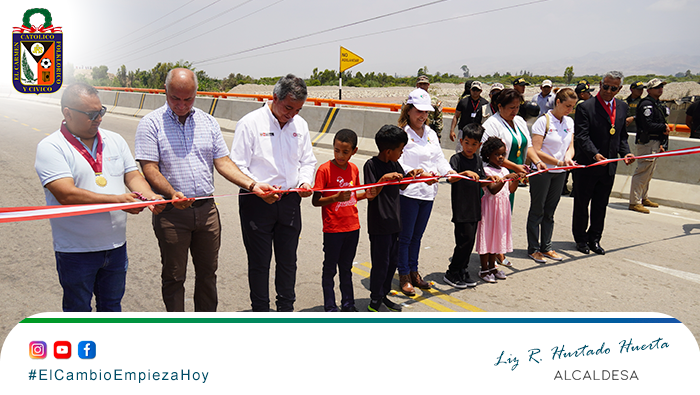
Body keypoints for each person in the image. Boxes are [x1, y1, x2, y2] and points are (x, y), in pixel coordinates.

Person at [136, 68, 272, 313]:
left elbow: (223, 163)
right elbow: (150, 168)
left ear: (196, 94)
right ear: (165, 92)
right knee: (174, 276)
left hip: (207, 211)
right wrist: (172, 192)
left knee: (208, 274)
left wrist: (252, 184)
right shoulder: (150, 124)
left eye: (188, 99)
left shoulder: (208, 122)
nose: (181, 104)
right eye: (175, 98)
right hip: (172, 213)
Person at [35, 82, 164, 312]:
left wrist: (150, 197)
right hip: (75, 251)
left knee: (112, 308)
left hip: (115, 247)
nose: (99, 118)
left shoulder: (114, 140)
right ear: (67, 113)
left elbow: (133, 176)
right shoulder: (52, 147)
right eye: (92, 114)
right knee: (78, 312)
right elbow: (66, 193)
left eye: (101, 111)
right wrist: (118, 201)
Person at [230, 74, 317, 312]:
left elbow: (307, 161)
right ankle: (260, 312)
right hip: (256, 202)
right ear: (274, 97)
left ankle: (285, 310)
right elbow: (237, 165)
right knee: (259, 262)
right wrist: (257, 187)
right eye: (288, 107)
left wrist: (305, 182)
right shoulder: (250, 123)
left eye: (298, 109)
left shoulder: (300, 125)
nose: (292, 115)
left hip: (290, 202)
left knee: (288, 261)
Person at [396, 89, 454, 296]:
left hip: (428, 193)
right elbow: (398, 161)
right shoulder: (402, 133)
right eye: (418, 111)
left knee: (417, 236)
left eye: (426, 112)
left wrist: (449, 172)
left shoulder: (430, 133)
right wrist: (410, 173)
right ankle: (403, 275)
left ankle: (414, 272)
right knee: (405, 237)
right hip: (409, 193)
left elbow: (438, 158)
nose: (422, 116)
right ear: (409, 110)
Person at [312, 129, 375, 312]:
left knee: (346, 268)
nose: (340, 155)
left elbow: (352, 197)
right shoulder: (324, 170)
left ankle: (348, 304)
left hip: (352, 227)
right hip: (333, 229)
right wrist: (335, 198)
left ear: (354, 151)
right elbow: (316, 201)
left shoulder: (354, 169)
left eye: (345, 152)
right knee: (330, 268)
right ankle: (330, 305)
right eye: (336, 150)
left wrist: (367, 195)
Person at [572, 71, 635, 255]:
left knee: (600, 205)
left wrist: (626, 153)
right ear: (600, 84)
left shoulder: (622, 107)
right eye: (605, 86)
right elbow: (582, 136)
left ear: (619, 89)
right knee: (582, 204)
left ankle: (595, 239)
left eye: (613, 88)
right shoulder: (586, 107)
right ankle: (581, 239)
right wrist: (595, 154)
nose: (608, 90)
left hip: (609, 167)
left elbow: (621, 136)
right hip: (588, 165)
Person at [364, 125, 423, 312]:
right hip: (379, 223)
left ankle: (383, 295)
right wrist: (383, 179)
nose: (401, 153)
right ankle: (374, 300)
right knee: (380, 264)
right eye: (400, 150)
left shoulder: (394, 164)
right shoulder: (371, 165)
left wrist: (410, 177)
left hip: (395, 222)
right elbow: (370, 194)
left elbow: (402, 187)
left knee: (392, 263)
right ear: (389, 151)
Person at [526, 88, 577, 263]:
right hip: (543, 172)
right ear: (558, 102)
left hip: (560, 173)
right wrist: (558, 163)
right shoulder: (543, 122)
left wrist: (568, 159)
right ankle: (533, 248)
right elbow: (537, 150)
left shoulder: (569, 122)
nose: (570, 109)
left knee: (550, 211)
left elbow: (570, 146)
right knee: (537, 210)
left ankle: (546, 246)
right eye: (567, 105)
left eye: (572, 106)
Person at [443, 123, 489, 289]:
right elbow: (450, 178)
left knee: (470, 243)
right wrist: (464, 174)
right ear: (461, 141)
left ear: (479, 145)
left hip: (475, 208)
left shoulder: (478, 159)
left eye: (474, 144)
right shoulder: (456, 159)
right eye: (467, 143)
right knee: (463, 241)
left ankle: (463, 270)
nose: (470, 147)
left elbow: (483, 181)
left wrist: (495, 180)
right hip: (461, 208)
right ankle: (452, 272)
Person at [475, 137, 519, 283]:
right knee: (487, 236)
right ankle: (484, 269)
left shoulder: (505, 169)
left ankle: (492, 267)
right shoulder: (486, 170)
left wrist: (516, 179)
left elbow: (511, 190)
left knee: (496, 237)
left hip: (502, 209)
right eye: (497, 155)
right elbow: (493, 190)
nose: (500, 158)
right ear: (488, 155)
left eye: (503, 155)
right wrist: (505, 178)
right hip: (490, 208)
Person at [629, 78, 670, 214]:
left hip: (655, 142)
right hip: (647, 143)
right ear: (649, 90)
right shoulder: (647, 104)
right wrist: (663, 127)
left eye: (661, 87)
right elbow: (647, 125)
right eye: (657, 87)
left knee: (649, 172)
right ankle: (634, 201)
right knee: (642, 172)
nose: (660, 89)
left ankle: (643, 197)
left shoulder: (656, 103)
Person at [449, 81, 489, 152]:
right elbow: (456, 116)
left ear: (481, 91)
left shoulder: (485, 103)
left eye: (477, 90)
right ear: (470, 90)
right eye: (474, 90)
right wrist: (452, 130)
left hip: (478, 132)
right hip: (464, 131)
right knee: (461, 151)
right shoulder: (463, 102)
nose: (475, 92)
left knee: (476, 152)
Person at [415, 75, 444, 140]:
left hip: (429, 130)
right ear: (417, 85)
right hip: (414, 130)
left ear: (428, 85)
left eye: (424, 84)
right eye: (420, 84)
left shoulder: (434, 100)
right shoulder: (411, 99)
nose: (422, 86)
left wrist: (438, 134)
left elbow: (438, 118)